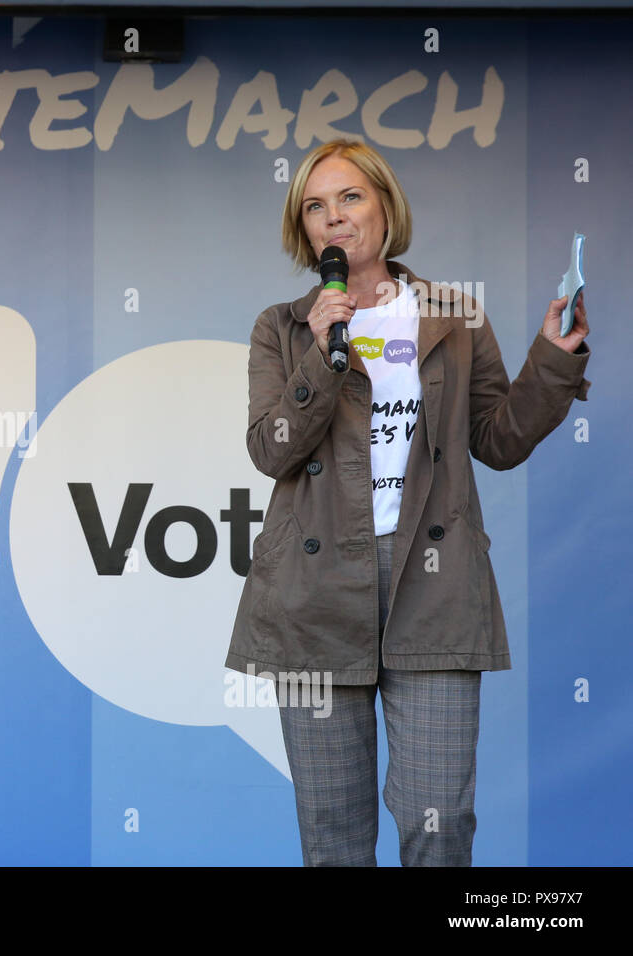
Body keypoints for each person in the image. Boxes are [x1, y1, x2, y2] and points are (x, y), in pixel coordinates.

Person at [225, 139, 591, 866]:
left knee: (441, 824)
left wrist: (553, 360)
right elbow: (272, 449)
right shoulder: (282, 327)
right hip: (316, 597)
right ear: (304, 230)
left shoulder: (453, 314)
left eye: (351, 198)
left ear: (386, 207)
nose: (335, 219)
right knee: (333, 836)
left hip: (435, 582)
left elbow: (499, 438)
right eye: (315, 207)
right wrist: (320, 356)